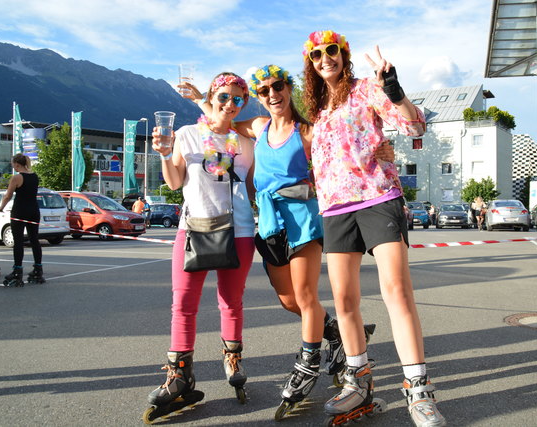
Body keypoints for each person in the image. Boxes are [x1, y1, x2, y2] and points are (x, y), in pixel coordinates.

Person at [185, 65, 391, 411]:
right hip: (268, 223)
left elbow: (346, 150)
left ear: (288, 88)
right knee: (288, 300)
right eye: (263, 91)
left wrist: (384, 151)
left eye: (277, 86)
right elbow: (222, 119)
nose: (272, 94)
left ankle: (307, 364)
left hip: (302, 220)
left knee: (307, 296)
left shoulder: (308, 131)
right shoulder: (256, 126)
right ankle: (338, 333)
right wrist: (201, 102)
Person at [302, 30, 446, 426]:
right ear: (311, 65)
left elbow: (415, 128)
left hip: (378, 197)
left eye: (331, 50)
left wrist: (395, 91)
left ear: (343, 54)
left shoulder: (367, 89)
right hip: (334, 209)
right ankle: (359, 381)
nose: (324, 58)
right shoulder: (317, 110)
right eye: (316, 55)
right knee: (345, 301)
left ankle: (418, 390)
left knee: (397, 292)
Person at [146, 72, 255, 416]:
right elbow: (176, 180)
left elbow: (252, 190)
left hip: (238, 231)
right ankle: (180, 376)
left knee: (231, 301)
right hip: (194, 227)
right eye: (224, 96)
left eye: (238, 99)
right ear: (212, 95)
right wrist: (164, 154)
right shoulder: (187, 134)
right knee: (183, 303)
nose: (229, 104)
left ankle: (232, 360)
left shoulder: (247, 143)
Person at [0, 153, 44, 286]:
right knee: (34, 239)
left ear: (17, 164)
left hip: (20, 211)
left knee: (18, 241)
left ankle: (17, 271)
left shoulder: (17, 177)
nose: (12, 166)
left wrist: (1, 207)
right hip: (34, 211)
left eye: (13, 164)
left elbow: (8, 195)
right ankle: (38, 269)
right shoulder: (34, 176)